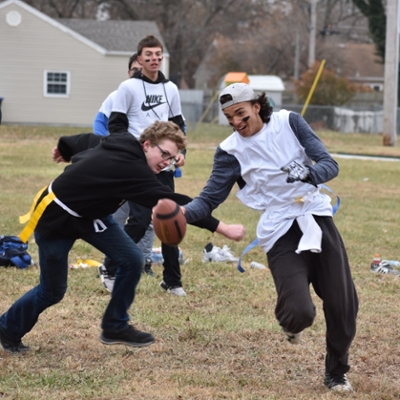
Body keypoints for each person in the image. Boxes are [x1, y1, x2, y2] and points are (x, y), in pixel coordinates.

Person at [0, 121, 245, 354]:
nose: (167, 163)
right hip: (56, 218)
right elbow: (176, 204)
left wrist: (65, 148)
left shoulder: (123, 143)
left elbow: (86, 140)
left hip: (92, 216)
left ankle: (115, 325)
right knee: (52, 291)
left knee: (132, 259)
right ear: (147, 144)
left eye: (172, 159)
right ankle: (7, 330)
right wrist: (222, 227)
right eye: (165, 154)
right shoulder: (131, 170)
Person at [182, 83, 359, 392]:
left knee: (343, 306)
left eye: (240, 113)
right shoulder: (229, 151)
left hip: (316, 218)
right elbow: (208, 199)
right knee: (300, 313)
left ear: (257, 106)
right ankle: (290, 323)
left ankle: (336, 372)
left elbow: (329, 164)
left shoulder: (290, 122)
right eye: (228, 117)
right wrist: (179, 214)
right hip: (279, 230)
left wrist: (310, 174)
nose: (236, 122)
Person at [108, 35, 189, 296]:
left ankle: (172, 281)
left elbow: (178, 125)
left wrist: (179, 152)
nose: (154, 59)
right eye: (148, 55)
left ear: (162, 57)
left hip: (163, 166)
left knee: (170, 218)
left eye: (158, 54)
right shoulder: (127, 88)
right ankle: (110, 267)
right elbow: (116, 126)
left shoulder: (171, 89)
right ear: (139, 59)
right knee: (141, 220)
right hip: (137, 166)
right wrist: (132, 153)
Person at [92, 53, 157, 283]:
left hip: (147, 169)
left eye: (142, 69)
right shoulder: (117, 95)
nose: (139, 73)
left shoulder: (157, 96)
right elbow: (99, 125)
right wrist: (109, 152)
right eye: (134, 69)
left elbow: (175, 129)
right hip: (120, 167)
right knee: (118, 217)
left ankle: (145, 260)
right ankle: (113, 261)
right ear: (128, 72)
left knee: (145, 219)